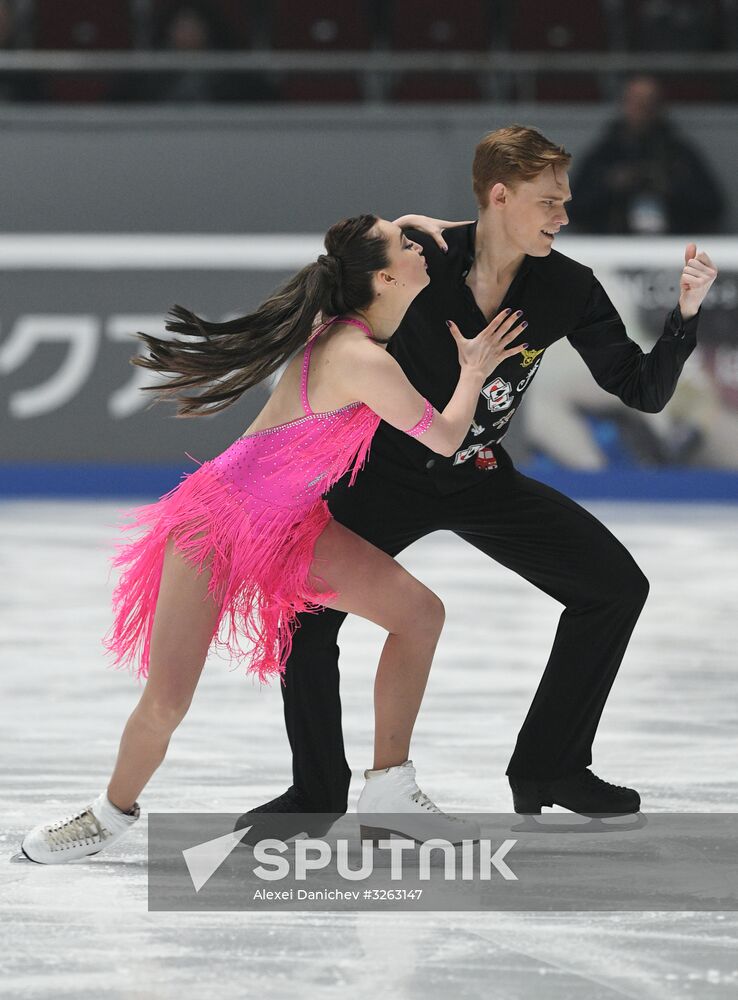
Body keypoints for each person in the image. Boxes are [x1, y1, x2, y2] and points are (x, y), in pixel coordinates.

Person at [240, 124, 718, 833]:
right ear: (500, 196)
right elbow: (355, 269)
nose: (563, 214)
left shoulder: (567, 286)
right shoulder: (424, 257)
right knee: (306, 617)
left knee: (614, 589)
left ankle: (550, 764)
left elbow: (641, 389)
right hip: (383, 475)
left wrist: (683, 317)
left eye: (564, 200)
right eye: (549, 201)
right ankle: (317, 790)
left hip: (480, 473)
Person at [19, 214, 528, 864]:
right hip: (217, 526)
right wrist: (474, 369)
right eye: (407, 244)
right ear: (384, 277)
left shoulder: (353, 326)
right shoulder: (358, 357)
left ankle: (391, 788)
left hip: (294, 528)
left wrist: (408, 221)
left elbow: (360, 248)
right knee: (168, 700)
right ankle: (106, 815)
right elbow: (449, 438)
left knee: (419, 614)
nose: (420, 247)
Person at [569, 75, 725, 235]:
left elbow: (713, 206)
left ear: (660, 106)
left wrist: (671, 186)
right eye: (636, 101)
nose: (643, 107)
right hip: (614, 245)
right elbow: (575, 208)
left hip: (672, 245)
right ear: (624, 104)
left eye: (649, 101)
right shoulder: (604, 154)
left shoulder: (680, 153)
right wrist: (611, 185)